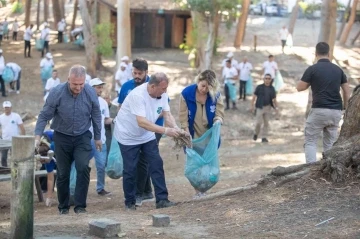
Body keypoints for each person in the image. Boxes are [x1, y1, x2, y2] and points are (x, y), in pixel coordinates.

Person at [34, 65, 102, 214]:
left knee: (83, 167)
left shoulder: (90, 92)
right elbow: (44, 115)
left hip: (83, 136)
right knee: (63, 173)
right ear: (68, 80)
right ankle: (63, 207)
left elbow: (96, 114)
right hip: (62, 136)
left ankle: (80, 206)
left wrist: (98, 137)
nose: (78, 87)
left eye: (81, 84)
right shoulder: (57, 92)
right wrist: (38, 135)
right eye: (75, 84)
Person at [114, 72, 180, 210]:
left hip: (147, 134)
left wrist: (176, 128)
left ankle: (162, 199)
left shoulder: (162, 94)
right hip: (128, 135)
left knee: (156, 163)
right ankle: (130, 202)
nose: (165, 91)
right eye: (162, 88)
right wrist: (166, 131)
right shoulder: (138, 95)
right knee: (130, 169)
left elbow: (167, 115)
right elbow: (142, 122)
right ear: (152, 86)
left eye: (166, 88)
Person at [117, 58, 163, 207]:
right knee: (132, 165)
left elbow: (162, 109)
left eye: (140, 73)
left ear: (146, 72)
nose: (137, 76)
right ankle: (144, 192)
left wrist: (152, 122)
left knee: (145, 162)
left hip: (154, 128)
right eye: (134, 72)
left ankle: (140, 193)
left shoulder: (154, 84)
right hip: (131, 130)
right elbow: (121, 108)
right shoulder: (126, 87)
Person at [296, 42, 351, 163]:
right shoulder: (338, 70)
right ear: (329, 53)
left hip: (319, 110)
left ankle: (310, 170)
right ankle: (329, 168)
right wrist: (346, 108)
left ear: (315, 54)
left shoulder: (312, 69)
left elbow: (300, 87)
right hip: (336, 111)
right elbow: (347, 91)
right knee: (330, 143)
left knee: (310, 141)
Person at [179, 70, 225, 197]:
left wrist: (218, 120)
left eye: (208, 87)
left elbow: (219, 112)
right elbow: (183, 116)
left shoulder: (215, 95)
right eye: (202, 86)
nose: (204, 89)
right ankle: (197, 190)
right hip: (193, 134)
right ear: (198, 81)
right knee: (195, 163)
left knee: (207, 163)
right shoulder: (186, 94)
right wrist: (186, 132)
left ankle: (204, 189)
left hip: (208, 135)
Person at [89, 78, 113, 196]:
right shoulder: (84, 101)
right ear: (91, 88)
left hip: (100, 138)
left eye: (101, 87)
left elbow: (106, 119)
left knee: (101, 164)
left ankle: (100, 188)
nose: (100, 89)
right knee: (82, 165)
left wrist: (114, 121)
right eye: (98, 87)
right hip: (86, 138)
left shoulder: (103, 102)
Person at [251, 74, 278, 143]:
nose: (267, 80)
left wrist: (276, 107)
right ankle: (256, 134)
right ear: (264, 79)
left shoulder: (272, 88)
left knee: (266, 123)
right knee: (258, 122)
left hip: (268, 107)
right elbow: (254, 97)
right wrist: (252, 106)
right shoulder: (259, 87)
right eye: (266, 78)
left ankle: (264, 137)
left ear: (271, 80)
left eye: (269, 78)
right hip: (260, 107)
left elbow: (274, 99)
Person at [0, 101, 26, 167]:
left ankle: (15, 171)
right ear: (3, 108)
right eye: (5, 107)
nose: (6, 109)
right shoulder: (1, 117)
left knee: (15, 157)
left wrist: (23, 138)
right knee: (3, 157)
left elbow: (22, 127)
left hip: (15, 140)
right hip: (4, 140)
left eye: (8, 107)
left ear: (11, 107)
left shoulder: (16, 116)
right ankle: (4, 171)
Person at [37, 130, 57, 207]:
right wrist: (49, 196)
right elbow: (50, 177)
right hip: (48, 146)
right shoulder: (39, 146)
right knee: (47, 169)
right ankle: (45, 189)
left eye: (44, 161)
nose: (44, 163)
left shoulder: (54, 145)